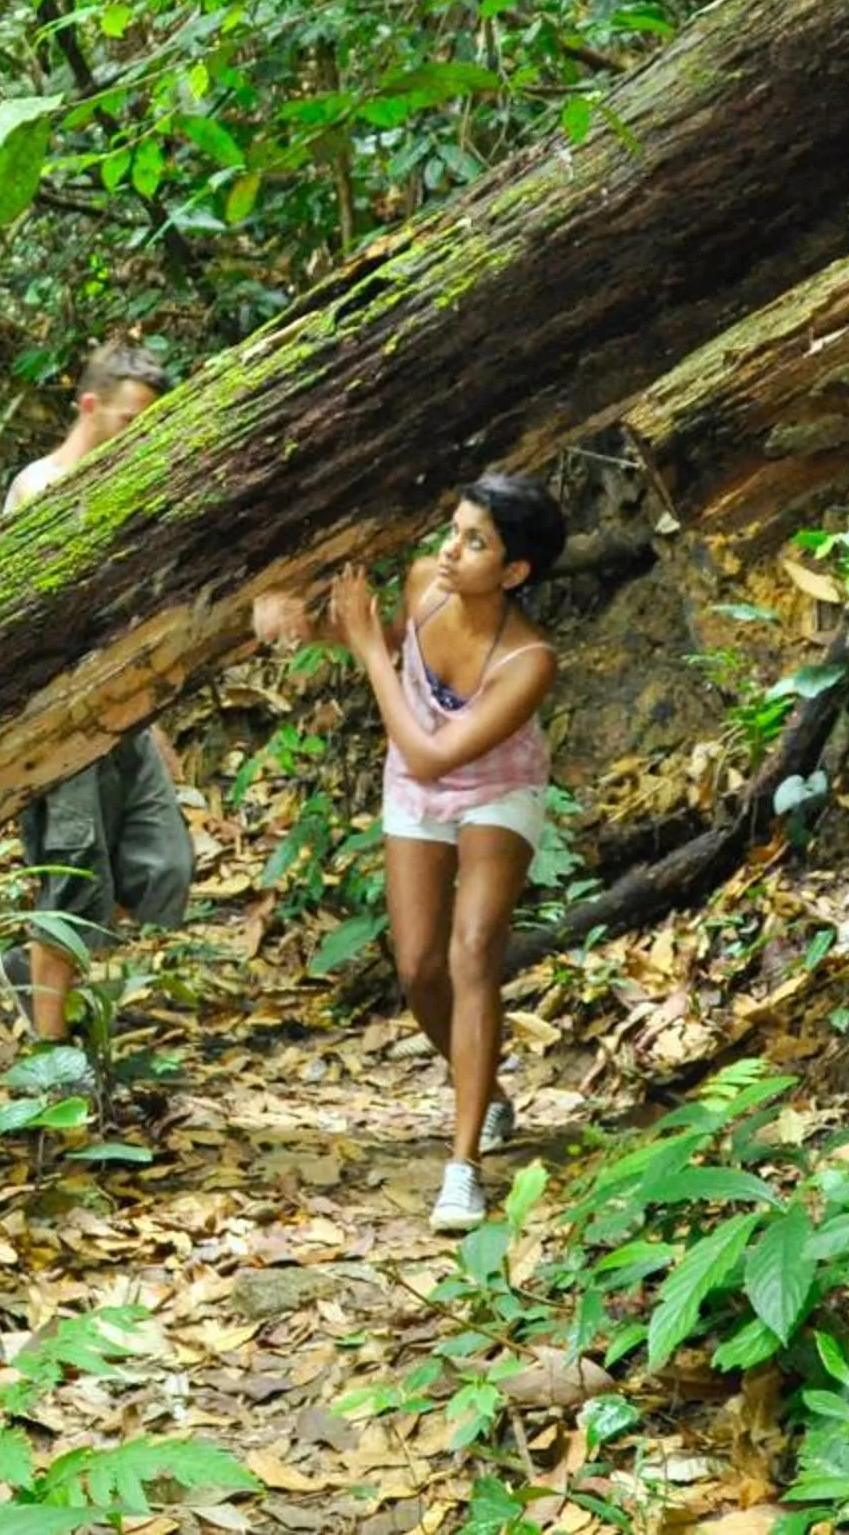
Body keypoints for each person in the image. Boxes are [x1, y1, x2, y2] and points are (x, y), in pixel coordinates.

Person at [255, 472, 568, 1234]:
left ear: (515, 572)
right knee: (417, 966)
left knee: (471, 952)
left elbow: (433, 753)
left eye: (476, 542)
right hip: (417, 780)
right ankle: (485, 1091)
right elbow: (401, 646)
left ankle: (462, 1168)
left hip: (495, 788)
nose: (451, 550)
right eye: (454, 531)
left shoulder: (529, 660)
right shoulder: (428, 583)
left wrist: (364, 652)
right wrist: (315, 623)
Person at [0, 344, 196, 1046]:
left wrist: (153, 720)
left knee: (164, 867)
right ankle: (53, 1057)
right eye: (129, 418)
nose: (139, 433)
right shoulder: (40, 487)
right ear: (89, 406)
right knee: (75, 879)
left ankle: (37, 969)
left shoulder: (128, 491)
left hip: (125, 713)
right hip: (63, 722)